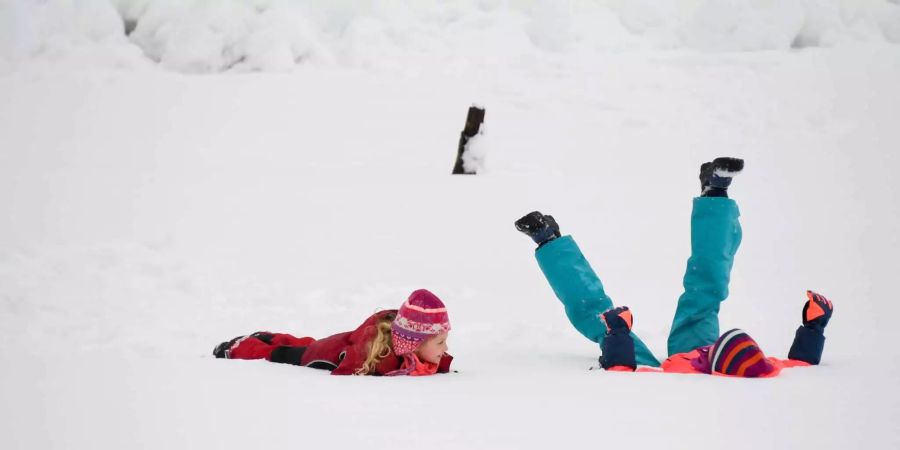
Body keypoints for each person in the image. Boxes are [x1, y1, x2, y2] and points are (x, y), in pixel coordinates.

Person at [514, 157, 834, 377]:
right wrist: (813, 328)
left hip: (659, 374)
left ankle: (549, 240)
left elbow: (622, 369)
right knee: (707, 288)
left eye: (714, 355)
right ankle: (716, 193)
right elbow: (796, 364)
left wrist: (618, 335)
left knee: (598, 318)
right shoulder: (755, 367)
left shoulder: (709, 377)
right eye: (713, 353)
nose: (706, 356)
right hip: (696, 340)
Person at [213, 289, 454, 376]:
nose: (445, 348)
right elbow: (347, 367)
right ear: (414, 342)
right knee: (283, 352)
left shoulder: (415, 352)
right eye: (441, 342)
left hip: (335, 343)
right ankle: (237, 348)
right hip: (327, 355)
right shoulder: (373, 355)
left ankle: (268, 334)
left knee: (307, 342)